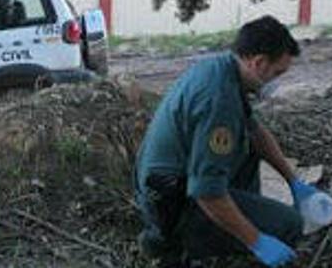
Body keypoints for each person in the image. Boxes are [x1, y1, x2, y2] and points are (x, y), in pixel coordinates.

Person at [135, 15, 321, 267]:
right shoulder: (219, 103)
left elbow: (255, 131)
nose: (277, 80)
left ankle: (231, 228)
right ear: (258, 62)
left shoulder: (224, 69)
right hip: (171, 203)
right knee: (289, 225)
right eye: (278, 72)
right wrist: (257, 241)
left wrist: (294, 181)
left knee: (248, 147)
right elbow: (207, 192)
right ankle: (172, 244)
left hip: (171, 183)